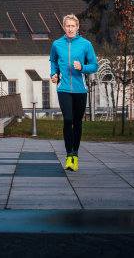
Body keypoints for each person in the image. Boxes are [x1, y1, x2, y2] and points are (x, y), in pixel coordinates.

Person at [50, 14, 98, 172]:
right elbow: (54, 61)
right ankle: (68, 154)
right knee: (67, 119)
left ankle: (75, 155)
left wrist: (82, 68)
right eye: (67, 26)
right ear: (63, 27)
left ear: (77, 28)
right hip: (63, 88)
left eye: (73, 26)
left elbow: (94, 65)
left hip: (80, 90)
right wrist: (54, 74)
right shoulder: (57, 44)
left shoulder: (86, 44)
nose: (70, 29)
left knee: (77, 122)